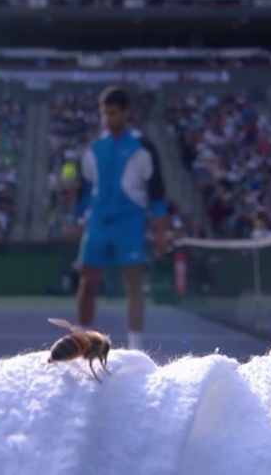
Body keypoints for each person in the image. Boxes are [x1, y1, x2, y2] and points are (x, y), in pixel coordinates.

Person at [73, 86, 169, 350]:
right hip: (98, 225)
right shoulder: (94, 149)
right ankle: (82, 342)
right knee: (87, 282)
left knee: (133, 284)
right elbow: (85, 188)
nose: (108, 119)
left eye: (113, 113)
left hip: (130, 224)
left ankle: (135, 347)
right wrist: (76, 218)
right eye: (104, 114)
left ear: (127, 113)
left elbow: (157, 192)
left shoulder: (142, 147)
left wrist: (161, 231)